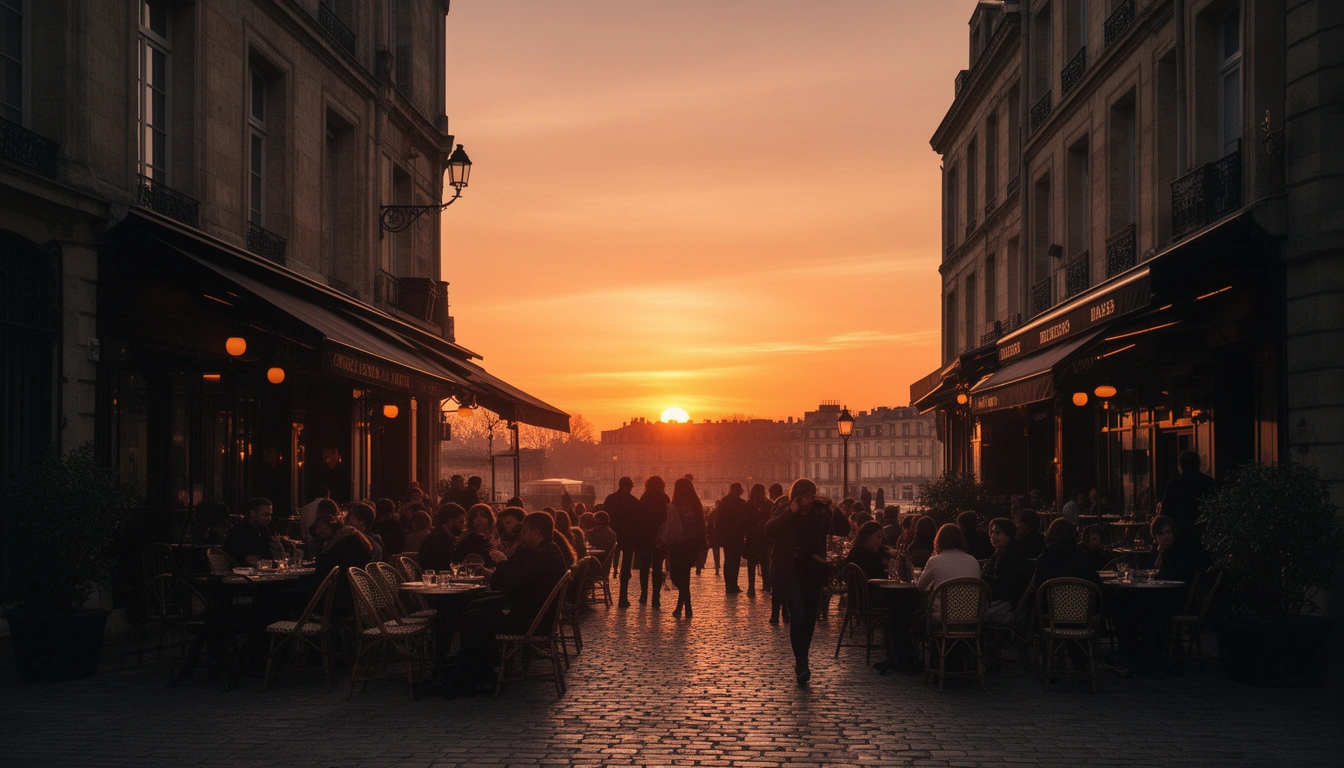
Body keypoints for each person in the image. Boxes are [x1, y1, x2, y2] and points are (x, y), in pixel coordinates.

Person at [455, 512, 569, 691]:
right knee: (475, 604)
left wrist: (502, 562)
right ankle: (483, 665)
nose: (521, 534)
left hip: (533, 620)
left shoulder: (542, 556)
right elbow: (515, 580)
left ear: (536, 533)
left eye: (525, 530)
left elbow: (509, 584)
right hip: (532, 610)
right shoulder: (545, 551)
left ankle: (479, 673)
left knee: (471, 618)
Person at [764, 478, 850, 684]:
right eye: (806, 496)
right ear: (796, 497)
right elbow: (769, 529)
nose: (810, 500)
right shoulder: (784, 509)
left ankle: (804, 658)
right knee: (799, 615)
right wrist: (789, 512)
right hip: (791, 571)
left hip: (814, 571)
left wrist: (834, 509)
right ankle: (801, 662)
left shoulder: (819, 513)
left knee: (810, 618)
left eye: (812, 495)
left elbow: (843, 529)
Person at [309, 513, 372, 619]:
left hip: (338, 598)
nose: (318, 531)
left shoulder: (339, 543)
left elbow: (324, 569)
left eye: (320, 527)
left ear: (331, 525)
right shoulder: (350, 536)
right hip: (359, 594)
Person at [916, 524, 983, 618]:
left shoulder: (935, 561)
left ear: (939, 540)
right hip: (970, 615)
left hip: (943, 615)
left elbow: (920, 587)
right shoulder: (973, 561)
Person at [665, 477, 708, 618]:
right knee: (681, 576)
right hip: (687, 543)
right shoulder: (689, 504)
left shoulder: (684, 505)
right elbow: (701, 526)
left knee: (679, 575)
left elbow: (700, 525)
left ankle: (682, 606)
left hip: (683, 544)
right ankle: (687, 605)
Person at [1159, 450, 1216, 550]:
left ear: (1180, 466)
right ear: (1198, 464)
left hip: (1180, 537)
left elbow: (1165, 514)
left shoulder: (1173, 484)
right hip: (1204, 537)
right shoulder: (1209, 483)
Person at [981, 518, 1032, 622]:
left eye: (997, 533)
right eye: (991, 532)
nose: (992, 536)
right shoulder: (998, 553)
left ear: (1008, 535)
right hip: (998, 601)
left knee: (973, 612)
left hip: (1009, 606)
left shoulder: (1014, 555)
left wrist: (983, 578)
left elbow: (1006, 585)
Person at [1030, 519, 1100, 590]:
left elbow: (1038, 588)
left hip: (1051, 596)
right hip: (1079, 596)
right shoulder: (1083, 559)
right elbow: (1095, 584)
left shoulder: (1043, 559)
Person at [604, 476, 642, 607]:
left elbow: (605, 517)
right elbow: (638, 521)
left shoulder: (610, 499)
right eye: (630, 488)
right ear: (627, 487)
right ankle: (622, 597)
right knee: (626, 567)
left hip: (612, 536)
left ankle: (607, 592)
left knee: (607, 565)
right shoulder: (634, 501)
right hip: (628, 538)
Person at [635, 476, 670, 608]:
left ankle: (643, 594)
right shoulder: (664, 497)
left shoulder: (644, 497)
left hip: (645, 536)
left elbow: (639, 518)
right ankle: (656, 597)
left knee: (644, 566)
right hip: (659, 537)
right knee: (657, 567)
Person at [223, 497, 281, 566]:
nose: (269, 518)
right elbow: (232, 558)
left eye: (270, 515)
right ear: (253, 513)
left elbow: (268, 557)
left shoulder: (265, 531)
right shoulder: (238, 531)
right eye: (265, 515)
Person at [716, 483, 750, 595]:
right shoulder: (741, 503)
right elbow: (745, 520)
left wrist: (718, 534)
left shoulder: (724, 501)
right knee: (735, 561)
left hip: (727, 535)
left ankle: (729, 585)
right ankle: (733, 584)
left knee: (729, 560)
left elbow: (719, 519)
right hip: (737, 535)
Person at [1141, 515, 1196, 583]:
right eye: (1161, 533)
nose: (1166, 536)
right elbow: (1146, 572)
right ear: (1155, 537)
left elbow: (1175, 575)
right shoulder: (1155, 550)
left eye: (1168, 532)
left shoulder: (1180, 551)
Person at [743, 483, 772, 597]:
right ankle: (758, 586)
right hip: (756, 538)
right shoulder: (750, 505)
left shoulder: (766, 504)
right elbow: (744, 521)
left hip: (760, 537)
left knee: (760, 563)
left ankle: (757, 586)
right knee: (758, 563)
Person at [418, 503, 464, 571]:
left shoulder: (443, 536)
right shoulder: (439, 540)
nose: (463, 525)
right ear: (450, 522)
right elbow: (445, 566)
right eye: (460, 522)